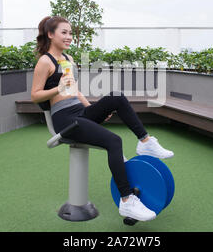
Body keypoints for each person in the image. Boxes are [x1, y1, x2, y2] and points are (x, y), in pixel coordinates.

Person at [31, 16, 174, 222]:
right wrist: (58, 89)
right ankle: (127, 201)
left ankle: (145, 142)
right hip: (64, 119)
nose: (69, 37)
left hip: (80, 112)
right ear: (50, 34)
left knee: (116, 96)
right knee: (114, 141)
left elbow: (75, 90)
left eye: (71, 33)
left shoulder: (69, 59)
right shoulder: (45, 61)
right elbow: (35, 95)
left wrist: (93, 109)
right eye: (64, 32)